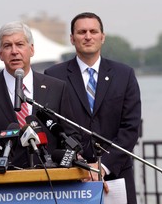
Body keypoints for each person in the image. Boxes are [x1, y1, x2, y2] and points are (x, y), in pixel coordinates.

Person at [0, 21, 80, 184]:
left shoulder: (56, 88)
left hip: (50, 183)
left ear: (31, 49)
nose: (14, 51)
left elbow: (69, 133)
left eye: (20, 44)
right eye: (7, 46)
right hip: (1, 185)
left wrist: (77, 155)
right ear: (0, 53)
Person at [44, 12, 141, 204]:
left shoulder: (124, 74)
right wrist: (78, 163)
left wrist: (103, 167)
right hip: (71, 175)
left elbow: (130, 128)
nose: (88, 36)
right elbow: (51, 126)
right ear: (72, 38)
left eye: (93, 31)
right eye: (81, 32)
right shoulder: (53, 76)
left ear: (102, 37)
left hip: (116, 173)